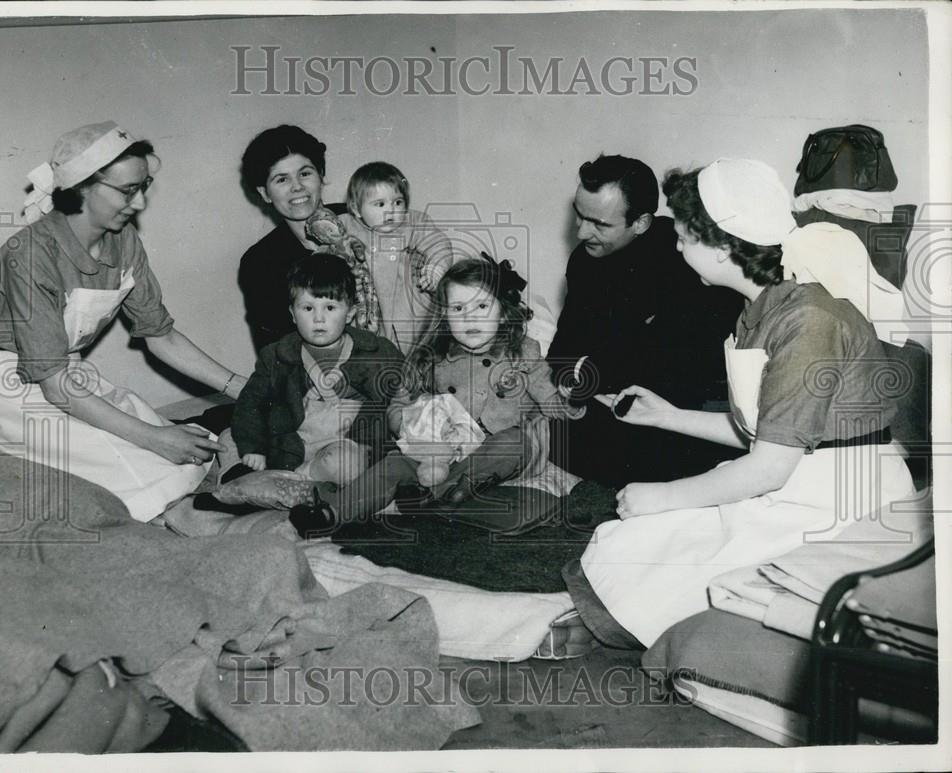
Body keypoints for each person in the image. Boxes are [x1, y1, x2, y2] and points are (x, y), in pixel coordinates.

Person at [563, 158, 915, 651]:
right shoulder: (761, 309)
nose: (677, 244)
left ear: (724, 245)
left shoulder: (808, 321)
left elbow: (769, 466)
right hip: (797, 475)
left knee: (658, 553)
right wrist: (665, 415)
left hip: (839, 499)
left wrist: (664, 496)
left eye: (685, 235)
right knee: (634, 544)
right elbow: (764, 430)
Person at [0, 121, 248, 522]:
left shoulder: (123, 240)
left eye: (143, 187)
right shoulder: (30, 255)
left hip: (66, 373)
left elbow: (161, 335)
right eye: (127, 191)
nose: (139, 204)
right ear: (82, 187)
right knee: (131, 460)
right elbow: (53, 386)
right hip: (12, 382)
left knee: (179, 443)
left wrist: (244, 387)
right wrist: (154, 439)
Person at [294, 255, 585, 533]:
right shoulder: (431, 357)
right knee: (394, 463)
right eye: (458, 309)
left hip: (496, 452)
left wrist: (571, 401)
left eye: (482, 306)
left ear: (503, 311)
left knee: (514, 441)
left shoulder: (523, 352)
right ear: (444, 316)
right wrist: (409, 423)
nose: (470, 318)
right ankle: (333, 513)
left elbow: (550, 398)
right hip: (441, 450)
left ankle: (438, 493)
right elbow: (400, 402)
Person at [548, 154, 743, 488]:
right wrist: (577, 375)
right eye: (579, 216)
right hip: (606, 398)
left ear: (641, 223)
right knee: (541, 426)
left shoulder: (688, 256)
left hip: (675, 408)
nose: (581, 232)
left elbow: (690, 361)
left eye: (599, 224)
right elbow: (563, 348)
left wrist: (598, 372)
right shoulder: (583, 261)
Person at [228, 254, 403, 485]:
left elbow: (407, 389)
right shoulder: (276, 357)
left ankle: (300, 480)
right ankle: (290, 478)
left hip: (351, 445)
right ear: (292, 313)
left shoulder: (378, 351)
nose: (319, 319)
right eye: (308, 308)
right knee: (228, 441)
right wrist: (254, 448)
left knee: (344, 465)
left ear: (350, 312)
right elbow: (250, 404)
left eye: (330, 307)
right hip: (295, 446)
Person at [237, 124, 343, 352]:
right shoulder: (260, 263)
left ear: (321, 175)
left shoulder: (362, 217)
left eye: (305, 173)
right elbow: (279, 350)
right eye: (281, 179)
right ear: (264, 193)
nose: (297, 187)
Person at [340, 162, 454, 353]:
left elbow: (438, 242)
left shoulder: (413, 222)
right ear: (356, 209)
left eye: (398, 202)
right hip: (367, 309)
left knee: (415, 350)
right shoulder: (347, 226)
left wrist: (437, 267)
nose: (391, 211)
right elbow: (326, 253)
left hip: (409, 309)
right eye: (380, 204)